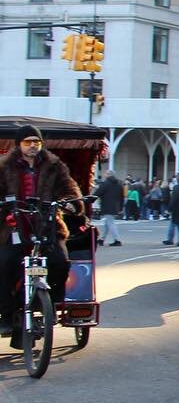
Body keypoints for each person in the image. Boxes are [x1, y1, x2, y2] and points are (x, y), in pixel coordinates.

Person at [0, 125, 81, 348]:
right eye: (28, 141)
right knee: (4, 263)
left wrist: (72, 204)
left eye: (36, 141)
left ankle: (51, 304)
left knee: (61, 262)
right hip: (14, 226)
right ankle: (6, 316)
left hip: (48, 225)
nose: (33, 145)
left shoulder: (55, 166)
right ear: (19, 145)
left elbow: (69, 189)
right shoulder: (5, 166)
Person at [92, 168, 125, 246]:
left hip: (107, 205)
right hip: (115, 205)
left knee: (110, 223)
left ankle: (117, 240)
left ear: (108, 175)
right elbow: (121, 197)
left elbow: (98, 192)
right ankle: (102, 239)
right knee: (107, 223)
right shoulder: (119, 184)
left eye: (106, 174)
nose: (105, 175)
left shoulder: (106, 183)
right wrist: (120, 207)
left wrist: (91, 198)